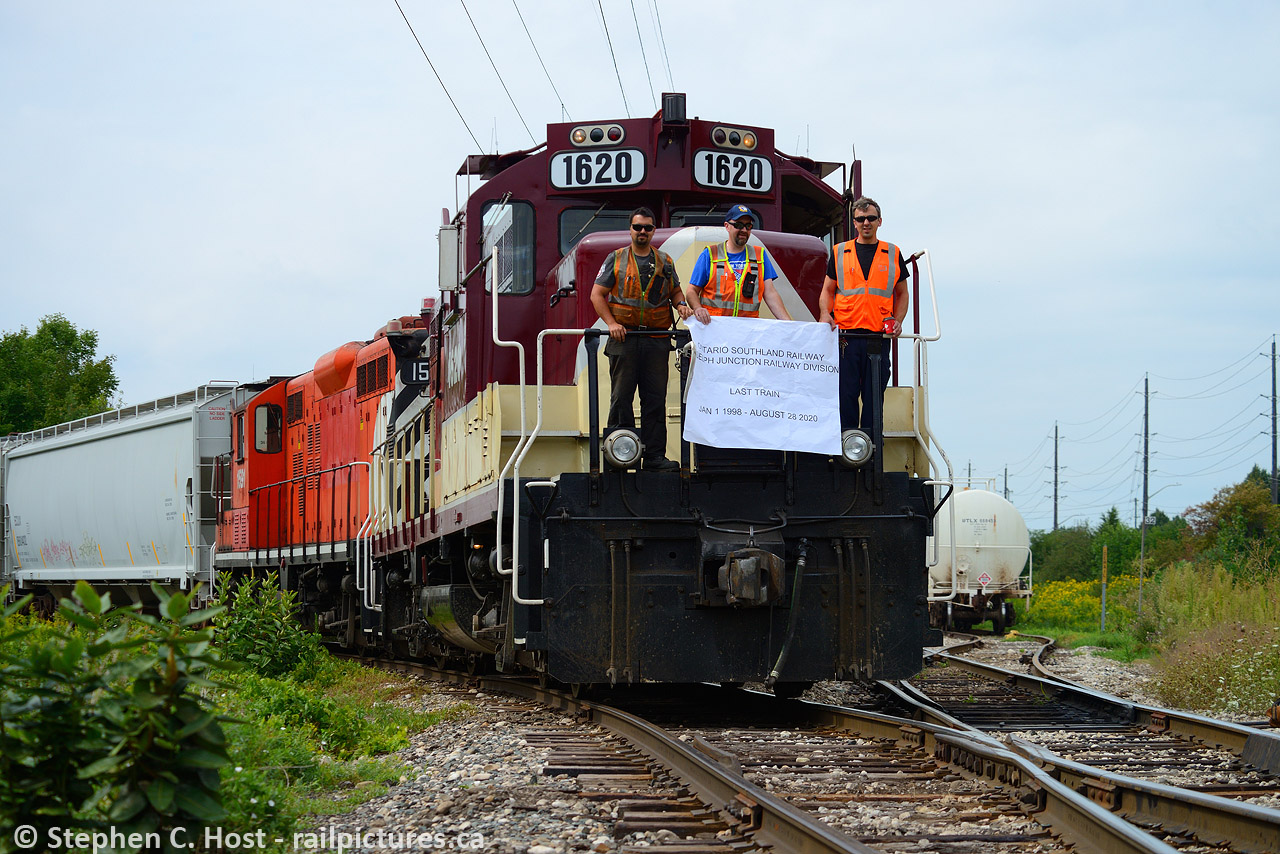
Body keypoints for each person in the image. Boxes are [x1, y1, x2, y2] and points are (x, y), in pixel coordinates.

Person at [590, 207, 694, 471]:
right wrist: (612, 324)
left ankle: (655, 457)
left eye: (647, 228)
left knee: (655, 398)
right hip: (624, 338)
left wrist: (681, 305)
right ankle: (619, 456)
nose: (642, 232)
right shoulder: (615, 259)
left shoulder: (665, 262)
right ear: (630, 229)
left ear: (653, 231)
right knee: (621, 398)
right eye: (638, 227)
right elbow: (596, 294)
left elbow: (676, 292)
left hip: (656, 340)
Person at [818, 197, 910, 432]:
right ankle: (845, 450)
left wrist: (898, 322)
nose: (866, 222)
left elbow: (902, 293)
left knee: (873, 398)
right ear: (854, 223)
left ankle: (871, 452)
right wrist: (824, 313)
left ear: (880, 221)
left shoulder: (892, 253)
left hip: (877, 338)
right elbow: (827, 290)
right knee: (845, 395)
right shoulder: (840, 252)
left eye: (870, 218)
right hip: (846, 338)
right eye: (860, 219)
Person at [686, 204, 792, 322]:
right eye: (739, 225)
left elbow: (770, 293)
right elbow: (691, 291)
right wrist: (697, 308)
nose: (744, 230)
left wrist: (788, 323)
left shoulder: (760, 256)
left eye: (748, 226)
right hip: (715, 328)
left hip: (747, 330)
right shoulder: (710, 255)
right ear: (727, 226)